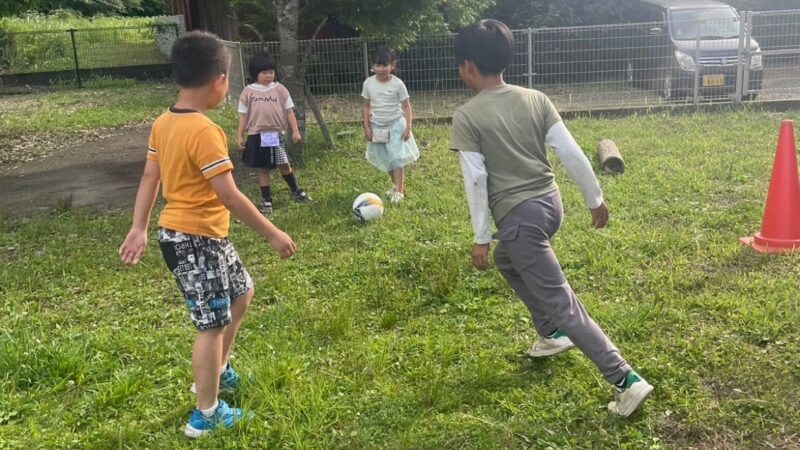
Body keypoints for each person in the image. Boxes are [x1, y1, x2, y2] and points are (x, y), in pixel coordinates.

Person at [450, 19, 653, 418]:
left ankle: (625, 379)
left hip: (519, 219)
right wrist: (594, 198)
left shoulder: (467, 116)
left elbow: (476, 181)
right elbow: (572, 151)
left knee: (562, 301)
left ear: (469, 66)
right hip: (549, 205)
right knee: (509, 261)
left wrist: (481, 237)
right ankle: (551, 334)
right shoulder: (535, 98)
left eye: (459, 66)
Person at [118, 31, 297, 437]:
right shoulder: (204, 131)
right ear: (219, 79)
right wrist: (271, 233)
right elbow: (230, 196)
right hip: (195, 241)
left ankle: (216, 370)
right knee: (210, 324)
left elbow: (150, 177)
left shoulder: (164, 123)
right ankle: (206, 413)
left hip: (197, 239)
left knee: (242, 292)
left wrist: (140, 227)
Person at [237, 53, 311, 216]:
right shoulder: (248, 92)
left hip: (274, 135)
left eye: (271, 72)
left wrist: (296, 131)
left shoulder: (280, 89)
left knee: (284, 164)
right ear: (255, 73)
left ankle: (295, 191)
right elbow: (242, 115)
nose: (268, 75)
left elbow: (289, 111)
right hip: (256, 135)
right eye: (264, 72)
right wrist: (240, 136)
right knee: (264, 169)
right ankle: (266, 200)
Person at [361, 46, 420, 204]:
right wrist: (367, 127)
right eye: (377, 65)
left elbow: (407, 106)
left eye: (384, 65)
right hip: (377, 127)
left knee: (396, 158)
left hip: (395, 125)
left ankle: (399, 192)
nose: (381, 69)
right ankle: (395, 186)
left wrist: (408, 127)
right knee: (387, 159)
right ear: (372, 67)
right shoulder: (368, 84)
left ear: (392, 65)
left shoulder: (398, 84)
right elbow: (366, 106)